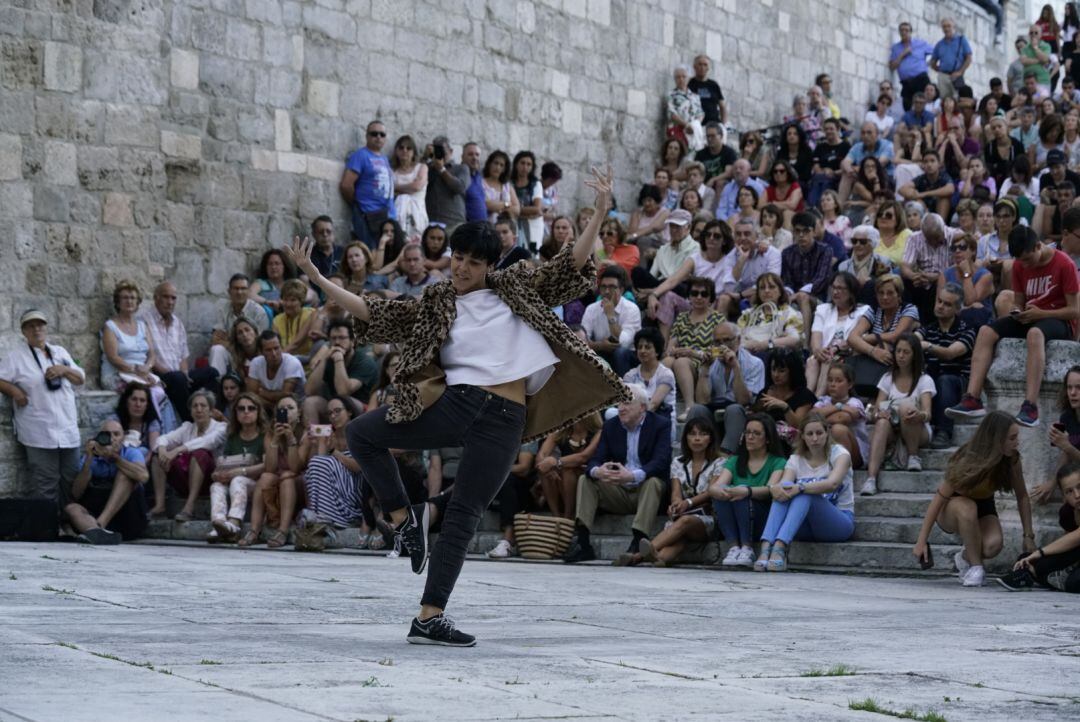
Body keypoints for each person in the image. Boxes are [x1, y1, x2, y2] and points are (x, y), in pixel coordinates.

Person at [287, 168, 629, 647]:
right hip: (461, 403)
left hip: (508, 418)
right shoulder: (436, 301)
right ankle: (406, 522)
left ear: (491, 265)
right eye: (457, 257)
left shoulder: (517, 288)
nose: (461, 267)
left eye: (471, 261)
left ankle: (429, 616)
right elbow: (375, 312)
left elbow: (571, 266)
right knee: (364, 433)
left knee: (466, 514)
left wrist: (599, 213)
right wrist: (318, 278)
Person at [948, 226, 1080, 427]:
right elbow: (1019, 301)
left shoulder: (1064, 264)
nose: (1024, 265)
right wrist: (1018, 312)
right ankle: (973, 398)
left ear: (1038, 246)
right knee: (986, 331)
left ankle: (1030, 405)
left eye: (1028, 259)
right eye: (1021, 261)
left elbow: (1074, 310)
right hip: (1032, 315)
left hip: (1059, 320)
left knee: (1035, 334)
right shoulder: (1019, 265)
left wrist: (1042, 314)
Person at [912, 411, 1034, 587]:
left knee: (993, 545)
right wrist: (921, 541)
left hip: (984, 504)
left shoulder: (1012, 459)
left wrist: (1028, 535)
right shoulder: (968, 458)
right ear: (997, 440)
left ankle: (964, 557)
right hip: (953, 506)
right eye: (1012, 438)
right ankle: (977, 567)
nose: (1017, 442)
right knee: (968, 507)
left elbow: (1022, 497)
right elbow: (939, 497)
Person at [563, 384, 672, 564]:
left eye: (627, 403)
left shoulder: (660, 425)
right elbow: (595, 459)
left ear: (642, 407)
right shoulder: (611, 426)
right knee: (586, 479)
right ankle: (583, 543)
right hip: (618, 491)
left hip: (646, 492)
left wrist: (633, 475)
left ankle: (638, 539)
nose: (621, 407)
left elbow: (660, 461)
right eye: (619, 402)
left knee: (653, 482)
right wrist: (599, 471)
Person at [617, 411, 723, 567]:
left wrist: (687, 503)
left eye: (703, 434)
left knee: (685, 521)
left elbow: (710, 492)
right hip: (683, 517)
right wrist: (676, 505)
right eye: (692, 434)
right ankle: (654, 559)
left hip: (707, 519)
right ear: (686, 438)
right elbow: (675, 492)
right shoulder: (677, 462)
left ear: (711, 439)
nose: (697, 438)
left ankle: (640, 554)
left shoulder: (719, 462)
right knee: (678, 539)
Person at [0, 309, 85, 504]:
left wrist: (63, 369)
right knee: (44, 484)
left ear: (46, 328)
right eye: (31, 326)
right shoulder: (16, 356)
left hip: (67, 427)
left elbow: (80, 378)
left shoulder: (60, 352)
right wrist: (15, 391)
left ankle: (67, 525)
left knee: (71, 479)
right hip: (38, 430)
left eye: (40, 325)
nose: (36, 329)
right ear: (24, 331)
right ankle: (47, 530)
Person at [756, 413, 855, 571]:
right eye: (810, 434)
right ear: (802, 436)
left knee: (805, 493)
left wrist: (800, 487)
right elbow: (784, 486)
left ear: (827, 433)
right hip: (803, 525)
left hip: (838, 522)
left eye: (819, 433)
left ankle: (780, 549)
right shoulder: (796, 459)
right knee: (785, 493)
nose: (815, 438)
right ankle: (766, 547)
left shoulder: (839, 453)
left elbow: (833, 483)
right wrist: (777, 489)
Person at [709, 413, 786, 567]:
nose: (750, 437)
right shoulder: (735, 460)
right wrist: (718, 491)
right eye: (747, 432)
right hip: (736, 514)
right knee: (723, 492)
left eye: (756, 433)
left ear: (768, 438)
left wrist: (747, 491)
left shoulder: (778, 462)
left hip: (762, 515)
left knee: (741, 493)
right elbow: (716, 485)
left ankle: (748, 547)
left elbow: (770, 489)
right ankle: (734, 547)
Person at [100, 280, 175, 430]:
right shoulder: (110, 326)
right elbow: (113, 357)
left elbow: (152, 354)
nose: (129, 301)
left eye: (133, 298)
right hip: (118, 373)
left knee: (161, 392)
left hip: (141, 372)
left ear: (137, 302)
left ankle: (166, 433)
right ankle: (149, 432)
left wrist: (147, 368)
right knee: (146, 394)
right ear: (118, 302)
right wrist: (137, 370)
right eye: (125, 298)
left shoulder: (142, 325)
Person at [63, 419, 150, 545]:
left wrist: (115, 458)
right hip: (93, 516)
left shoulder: (131, 453)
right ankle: (96, 532)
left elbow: (143, 476)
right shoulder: (91, 456)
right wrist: (89, 460)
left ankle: (100, 526)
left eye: (116, 434)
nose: (112, 438)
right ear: (99, 437)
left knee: (125, 475)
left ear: (123, 437)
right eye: (107, 434)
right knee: (71, 508)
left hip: (128, 517)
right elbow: (76, 493)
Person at [1000, 462, 1080, 592]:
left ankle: (1042, 577)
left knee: (1074, 582)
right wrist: (1037, 559)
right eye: (1069, 491)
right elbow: (1069, 548)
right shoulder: (1067, 512)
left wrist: (1040, 553)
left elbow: (1077, 537)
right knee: (1026, 559)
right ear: (1064, 495)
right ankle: (1037, 575)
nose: (1077, 495)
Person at [151, 390, 227, 522]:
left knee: (200, 453)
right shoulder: (187, 427)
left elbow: (207, 442)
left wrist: (177, 450)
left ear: (210, 411)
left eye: (203, 406)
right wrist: (162, 448)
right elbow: (163, 439)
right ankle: (160, 506)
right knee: (157, 456)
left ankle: (189, 508)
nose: (198, 409)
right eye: (195, 406)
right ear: (191, 411)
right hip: (186, 480)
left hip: (210, 481)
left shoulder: (221, 428)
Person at [917, 284, 976, 450]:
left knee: (945, 380)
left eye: (947, 304)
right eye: (939, 301)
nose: (940, 306)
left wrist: (927, 345)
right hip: (934, 382)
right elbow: (913, 340)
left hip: (958, 385)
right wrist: (914, 340)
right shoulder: (928, 329)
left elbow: (950, 353)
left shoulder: (967, 330)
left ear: (957, 309)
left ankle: (944, 431)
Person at [845, 274, 920, 397]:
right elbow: (852, 338)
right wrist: (873, 351)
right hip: (876, 356)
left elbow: (896, 336)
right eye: (881, 293)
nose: (885, 297)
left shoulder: (909, 309)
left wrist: (871, 338)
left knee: (885, 345)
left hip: (899, 357)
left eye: (890, 293)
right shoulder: (874, 310)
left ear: (899, 295)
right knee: (857, 348)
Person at [206, 392, 267, 543]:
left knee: (238, 480)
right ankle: (219, 523)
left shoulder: (265, 435)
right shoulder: (232, 436)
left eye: (251, 408)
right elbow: (223, 462)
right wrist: (216, 474)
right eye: (241, 409)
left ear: (258, 412)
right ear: (236, 413)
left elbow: (268, 465)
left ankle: (234, 522)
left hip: (256, 484)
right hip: (233, 480)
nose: (246, 412)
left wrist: (241, 471)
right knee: (216, 485)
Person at [140, 281, 203, 423]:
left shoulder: (177, 323)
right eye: (165, 297)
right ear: (156, 298)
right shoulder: (144, 321)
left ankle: (210, 418)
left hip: (179, 375)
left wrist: (185, 374)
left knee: (211, 373)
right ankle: (192, 423)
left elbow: (183, 355)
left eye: (173, 298)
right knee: (177, 378)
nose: (170, 302)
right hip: (161, 376)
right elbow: (147, 356)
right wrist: (172, 374)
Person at [664, 276, 724, 420]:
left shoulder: (718, 319)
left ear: (711, 298)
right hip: (682, 360)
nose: (698, 297)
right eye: (694, 293)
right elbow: (672, 342)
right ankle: (656, 402)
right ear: (689, 296)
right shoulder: (682, 317)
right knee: (667, 361)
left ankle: (690, 407)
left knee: (681, 362)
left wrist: (692, 353)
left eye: (704, 294)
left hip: (705, 363)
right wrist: (672, 350)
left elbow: (719, 350)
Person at [301, 396, 365, 529]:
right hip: (334, 485)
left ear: (349, 412)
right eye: (330, 413)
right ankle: (321, 515)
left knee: (323, 462)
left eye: (337, 411)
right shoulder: (329, 434)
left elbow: (358, 467)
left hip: (356, 487)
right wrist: (318, 443)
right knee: (316, 463)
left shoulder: (359, 433)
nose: (333, 416)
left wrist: (334, 451)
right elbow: (317, 466)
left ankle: (333, 517)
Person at [706, 323, 766, 454]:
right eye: (717, 342)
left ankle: (727, 456)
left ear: (738, 340)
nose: (722, 345)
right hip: (714, 407)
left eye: (727, 340)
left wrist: (735, 367)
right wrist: (704, 370)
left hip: (740, 409)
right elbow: (701, 400)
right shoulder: (711, 362)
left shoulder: (754, 363)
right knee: (696, 409)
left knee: (734, 409)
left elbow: (743, 401)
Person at [302, 320, 378, 425]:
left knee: (340, 403)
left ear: (352, 341)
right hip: (335, 406)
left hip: (363, 410)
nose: (337, 342)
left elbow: (343, 392)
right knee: (310, 402)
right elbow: (309, 391)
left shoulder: (364, 361)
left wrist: (339, 359)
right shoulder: (328, 358)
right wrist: (323, 360)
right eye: (333, 338)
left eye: (342, 338)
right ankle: (314, 437)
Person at [806, 272, 866, 395]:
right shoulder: (823, 309)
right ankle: (808, 395)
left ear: (851, 291)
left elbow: (858, 338)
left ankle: (818, 397)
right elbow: (816, 333)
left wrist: (835, 349)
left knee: (829, 359)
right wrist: (818, 350)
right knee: (812, 360)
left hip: (848, 355)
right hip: (826, 353)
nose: (835, 292)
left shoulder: (863, 311)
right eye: (833, 287)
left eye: (840, 288)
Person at [534, 413, 603, 521]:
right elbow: (540, 456)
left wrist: (555, 462)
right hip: (562, 482)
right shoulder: (561, 430)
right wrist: (548, 467)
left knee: (567, 470)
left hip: (588, 478)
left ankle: (568, 518)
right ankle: (556, 517)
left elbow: (583, 457)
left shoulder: (598, 432)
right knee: (545, 470)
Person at [341, 120, 395, 248]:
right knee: (370, 251)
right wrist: (359, 205)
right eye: (374, 133)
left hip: (385, 214)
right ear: (367, 136)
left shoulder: (384, 159)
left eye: (382, 134)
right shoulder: (360, 155)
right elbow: (346, 185)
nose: (378, 137)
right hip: (367, 214)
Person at [581, 265, 641, 377]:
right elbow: (582, 340)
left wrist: (610, 315)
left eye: (612, 287)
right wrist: (599, 345)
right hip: (601, 351)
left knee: (620, 353)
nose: (607, 291)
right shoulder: (591, 309)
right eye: (603, 287)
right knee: (589, 354)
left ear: (621, 290)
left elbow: (623, 343)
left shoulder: (632, 309)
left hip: (628, 355)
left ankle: (624, 390)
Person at [484, 442, 541, 558]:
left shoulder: (527, 434)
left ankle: (508, 540)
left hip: (524, 490)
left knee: (507, 481)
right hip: (494, 485)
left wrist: (494, 470)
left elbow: (523, 468)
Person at [900, 212, 961, 321]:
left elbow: (961, 267)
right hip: (922, 280)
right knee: (901, 281)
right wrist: (914, 276)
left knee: (939, 284)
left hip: (947, 280)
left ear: (943, 229)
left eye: (937, 237)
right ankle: (906, 320)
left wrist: (938, 277)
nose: (934, 242)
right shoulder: (914, 238)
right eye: (930, 239)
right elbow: (905, 266)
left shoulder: (956, 236)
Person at [782, 211, 835, 336]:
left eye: (806, 231)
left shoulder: (825, 250)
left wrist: (799, 294)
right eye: (797, 231)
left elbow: (821, 280)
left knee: (802, 297)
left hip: (819, 299)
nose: (801, 235)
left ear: (814, 232)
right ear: (793, 232)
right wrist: (790, 294)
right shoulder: (787, 253)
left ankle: (806, 345)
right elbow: (786, 280)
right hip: (793, 298)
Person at [111, 383, 162, 513]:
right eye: (134, 399)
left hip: (143, 467)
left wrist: (137, 463)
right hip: (118, 462)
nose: (138, 404)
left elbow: (153, 449)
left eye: (142, 400)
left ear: (147, 404)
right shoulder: (116, 420)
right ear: (126, 401)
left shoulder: (151, 422)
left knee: (144, 451)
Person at [208, 275, 270, 377]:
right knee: (217, 350)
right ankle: (219, 386)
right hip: (231, 351)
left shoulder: (258, 312)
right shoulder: (222, 309)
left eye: (243, 288)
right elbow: (216, 339)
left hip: (252, 354)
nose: (239, 292)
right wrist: (236, 345)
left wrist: (229, 339)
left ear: (248, 291)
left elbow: (259, 343)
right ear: (229, 291)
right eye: (236, 288)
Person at [737, 273, 805, 360]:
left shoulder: (789, 314)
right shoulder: (747, 315)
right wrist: (748, 344)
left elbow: (795, 339)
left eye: (771, 287)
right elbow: (736, 339)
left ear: (780, 291)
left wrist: (767, 344)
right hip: (749, 355)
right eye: (762, 288)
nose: (766, 291)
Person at [813, 362, 869, 468]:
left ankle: (841, 471)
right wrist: (839, 407)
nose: (833, 384)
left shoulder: (855, 402)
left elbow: (842, 419)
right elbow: (811, 416)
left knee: (838, 430)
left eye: (839, 381)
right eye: (830, 380)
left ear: (850, 384)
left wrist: (823, 416)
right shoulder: (824, 401)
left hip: (856, 454)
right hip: (828, 450)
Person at [624, 328, 677, 435]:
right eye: (639, 347)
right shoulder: (630, 376)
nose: (642, 351)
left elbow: (653, 405)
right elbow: (626, 403)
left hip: (661, 423)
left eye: (647, 347)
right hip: (635, 419)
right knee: (611, 413)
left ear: (657, 351)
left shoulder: (665, 374)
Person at [938, 234, 993, 327]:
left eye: (962, 247)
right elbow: (938, 307)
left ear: (973, 251)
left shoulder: (985, 276)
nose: (957, 251)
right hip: (951, 321)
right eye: (954, 248)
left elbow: (969, 301)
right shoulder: (945, 275)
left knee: (975, 311)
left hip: (980, 324)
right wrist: (964, 309)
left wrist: (966, 273)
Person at [246, 331, 306, 411]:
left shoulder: (292, 363)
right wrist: (271, 405)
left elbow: (286, 395)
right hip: (266, 408)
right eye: (268, 350)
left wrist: (263, 393)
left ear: (281, 347)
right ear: (261, 352)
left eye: (276, 348)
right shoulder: (256, 363)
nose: (274, 354)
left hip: (296, 408)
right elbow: (251, 395)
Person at [424, 136, 471, 232]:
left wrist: (442, 170)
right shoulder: (427, 168)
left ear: (451, 151)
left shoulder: (461, 168)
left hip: (454, 223)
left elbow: (460, 187)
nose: (440, 154)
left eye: (442, 150)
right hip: (432, 224)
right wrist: (425, 158)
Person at [837, 225, 891, 304]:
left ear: (872, 243)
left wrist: (872, 281)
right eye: (854, 241)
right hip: (849, 304)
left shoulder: (883, 261)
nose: (858, 245)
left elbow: (889, 286)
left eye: (863, 242)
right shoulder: (843, 266)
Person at [391, 135, 428, 241]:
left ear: (413, 152)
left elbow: (417, 186)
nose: (405, 151)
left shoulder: (421, 167)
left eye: (408, 148)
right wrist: (408, 188)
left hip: (417, 213)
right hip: (397, 213)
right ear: (396, 151)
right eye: (401, 148)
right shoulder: (393, 172)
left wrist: (396, 188)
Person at [890, 21, 934, 111]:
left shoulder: (920, 44)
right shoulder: (896, 48)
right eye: (902, 30)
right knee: (907, 107)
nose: (904, 32)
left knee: (923, 105)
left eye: (906, 30)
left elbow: (935, 53)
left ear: (911, 32)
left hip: (920, 79)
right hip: (906, 83)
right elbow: (892, 66)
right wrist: (902, 54)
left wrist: (928, 64)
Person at [807, 118, 852, 207]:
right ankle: (814, 206)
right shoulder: (820, 146)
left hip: (837, 177)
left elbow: (848, 166)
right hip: (821, 176)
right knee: (819, 179)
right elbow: (816, 165)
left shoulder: (846, 146)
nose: (828, 131)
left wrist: (833, 172)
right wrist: (824, 172)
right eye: (826, 129)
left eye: (831, 129)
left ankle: (818, 207)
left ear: (838, 129)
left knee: (825, 182)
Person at [271, 279, 318, 361]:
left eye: (293, 300)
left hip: (306, 360)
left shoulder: (311, 314)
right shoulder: (277, 320)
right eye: (285, 299)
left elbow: (296, 343)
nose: (288, 304)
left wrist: (278, 358)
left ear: (301, 301)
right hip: (284, 361)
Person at [899, 150, 955, 218]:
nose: (929, 165)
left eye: (932, 161)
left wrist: (923, 194)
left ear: (939, 164)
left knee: (944, 199)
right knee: (912, 198)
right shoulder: (921, 178)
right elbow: (901, 189)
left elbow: (950, 189)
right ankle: (925, 220)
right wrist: (913, 194)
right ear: (923, 165)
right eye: (926, 162)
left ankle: (940, 225)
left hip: (940, 211)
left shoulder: (944, 176)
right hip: (925, 210)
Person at [250, 249, 299, 319]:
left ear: (284, 266)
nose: (273, 267)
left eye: (277, 263)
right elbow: (250, 295)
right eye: (270, 264)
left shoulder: (292, 283)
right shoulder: (260, 283)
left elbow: (311, 295)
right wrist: (267, 302)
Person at [930, 18, 972, 100]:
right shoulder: (940, 44)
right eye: (944, 26)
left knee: (957, 99)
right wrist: (940, 70)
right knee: (944, 100)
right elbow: (933, 61)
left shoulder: (961, 40)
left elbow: (969, 58)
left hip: (956, 76)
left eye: (949, 26)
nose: (946, 29)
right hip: (943, 76)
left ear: (954, 27)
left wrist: (960, 72)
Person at [511, 151, 544, 251]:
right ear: (516, 164)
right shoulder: (509, 183)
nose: (525, 167)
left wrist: (515, 211)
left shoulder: (535, 184)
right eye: (522, 163)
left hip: (532, 226)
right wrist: (526, 212)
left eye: (528, 164)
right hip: (512, 224)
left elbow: (536, 209)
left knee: (531, 253)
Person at [667, 64, 705, 149]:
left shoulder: (695, 97)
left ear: (688, 78)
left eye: (684, 77)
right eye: (678, 77)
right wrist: (686, 125)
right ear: (675, 79)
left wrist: (695, 125)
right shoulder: (671, 95)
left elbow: (701, 113)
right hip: (678, 129)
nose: (681, 79)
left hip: (693, 131)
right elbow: (672, 114)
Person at [696, 121, 738, 187]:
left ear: (721, 136)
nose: (710, 139)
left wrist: (713, 179)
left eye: (713, 136)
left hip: (721, 186)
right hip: (703, 186)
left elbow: (728, 173)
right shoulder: (700, 154)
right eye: (708, 136)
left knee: (720, 183)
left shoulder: (729, 152)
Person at [688, 53, 726, 124]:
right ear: (694, 67)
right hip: (696, 125)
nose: (702, 67)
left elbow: (722, 106)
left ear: (708, 68)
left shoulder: (714, 85)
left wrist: (724, 125)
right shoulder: (689, 84)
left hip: (713, 125)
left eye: (705, 65)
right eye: (700, 64)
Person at [1020, 23, 1054, 99]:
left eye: (1036, 32)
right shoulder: (1025, 48)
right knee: (1028, 102)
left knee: (1042, 101)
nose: (1033, 34)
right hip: (1027, 83)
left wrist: (1035, 47)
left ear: (1040, 34)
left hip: (1042, 81)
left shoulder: (1046, 46)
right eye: (1031, 32)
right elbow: (1024, 61)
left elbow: (1045, 59)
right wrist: (1039, 60)